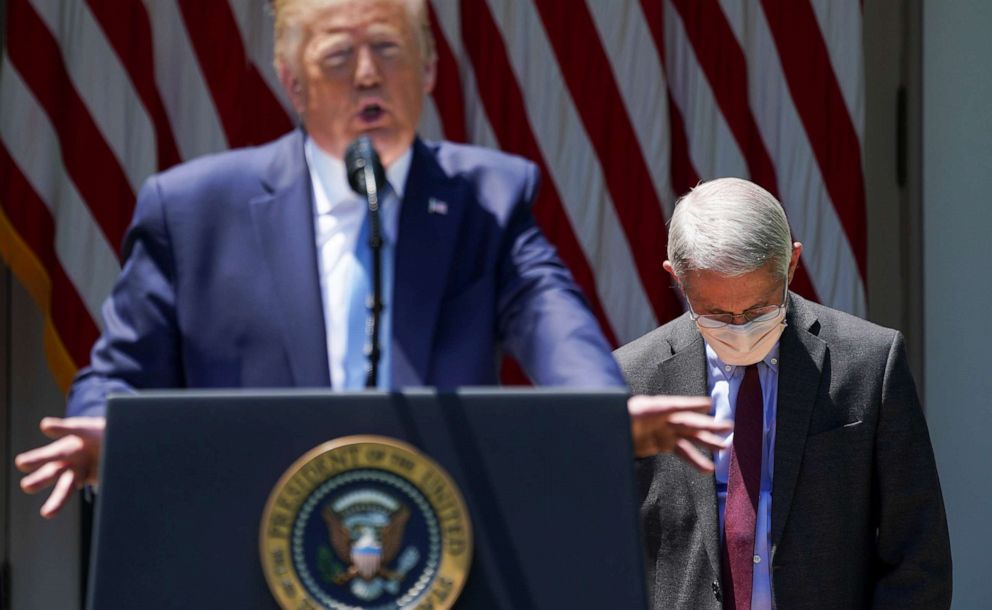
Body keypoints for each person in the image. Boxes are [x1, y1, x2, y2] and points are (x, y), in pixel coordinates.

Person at [16, 0, 728, 519]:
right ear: (292, 83)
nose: (366, 75)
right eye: (336, 56)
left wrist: (600, 411)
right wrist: (110, 435)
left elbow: (553, 324)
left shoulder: (488, 198)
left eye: (388, 49)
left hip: (441, 545)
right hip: (247, 544)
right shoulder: (192, 210)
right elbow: (118, 376)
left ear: (428, 69)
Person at [615, 178, 951, 610]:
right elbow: (601, 548)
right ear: (677, 279)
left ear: (791, 265)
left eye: (757, 309)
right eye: (716, 312)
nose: (739, 327)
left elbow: (918, 551)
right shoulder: (631, 379)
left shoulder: (869, 362)